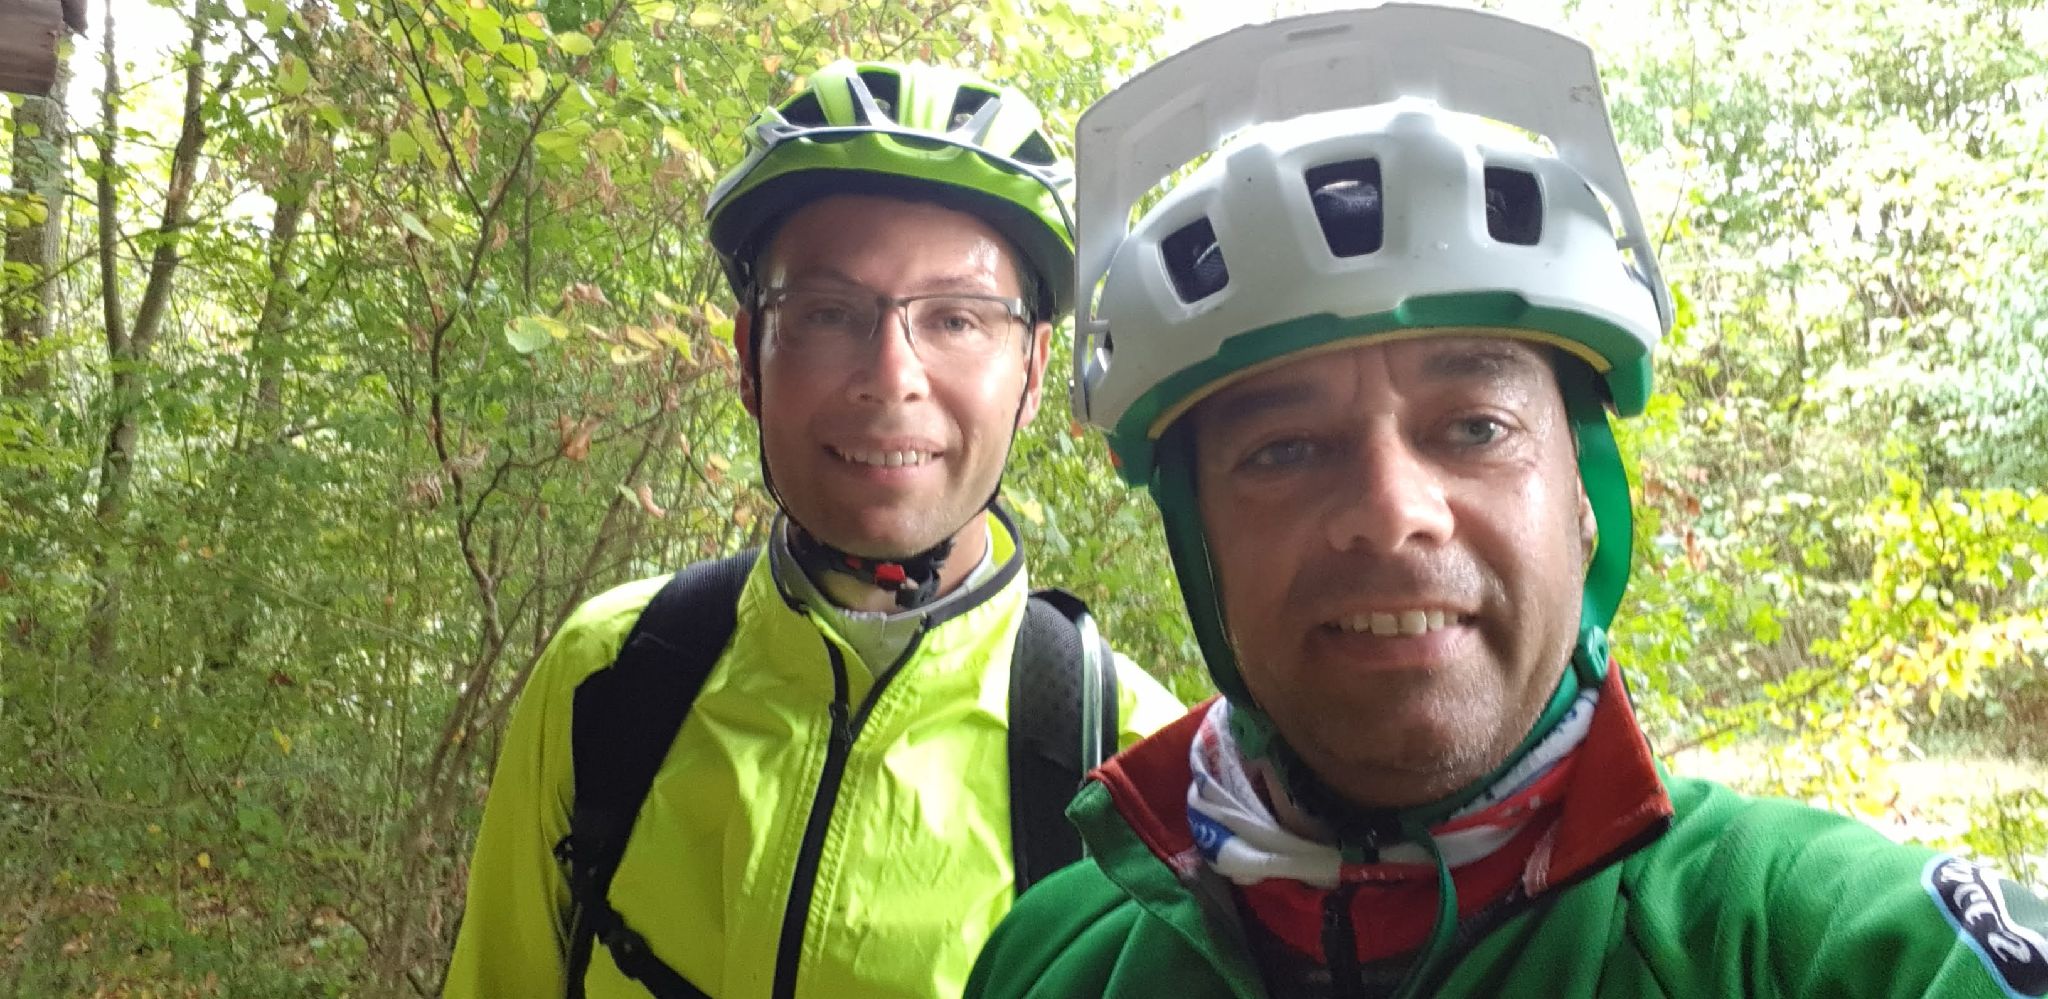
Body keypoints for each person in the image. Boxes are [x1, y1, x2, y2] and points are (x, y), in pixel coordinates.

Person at [967, 7, 2048, 999]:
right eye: (1283, 449)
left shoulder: (1800, 942)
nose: (1392, 510)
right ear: (1198, 542)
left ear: (1586, 496)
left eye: (1475, 427)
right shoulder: (1052, 959)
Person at [446, 60, 1182, 999]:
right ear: (749, 356)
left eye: (957, 319)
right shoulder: (611, 679)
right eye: (829, 313)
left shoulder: (1137, 769)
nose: (892, 376)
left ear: (1034, 371)